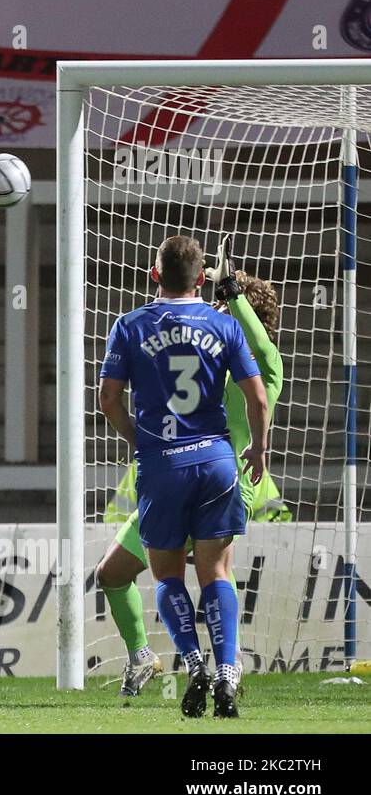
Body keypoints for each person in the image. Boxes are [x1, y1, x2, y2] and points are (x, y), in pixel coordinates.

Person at [97, 238, 285, 699]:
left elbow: (108, 399)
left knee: (165, 576)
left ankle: (195, 662)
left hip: (166, 467)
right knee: (213, 576)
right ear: (202, 280)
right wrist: (261, 450)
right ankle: (225, 669)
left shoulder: (134, 325)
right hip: (219, 467)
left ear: (154, 274)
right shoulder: (224, 335)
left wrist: (141, 439)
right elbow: (257, 397)